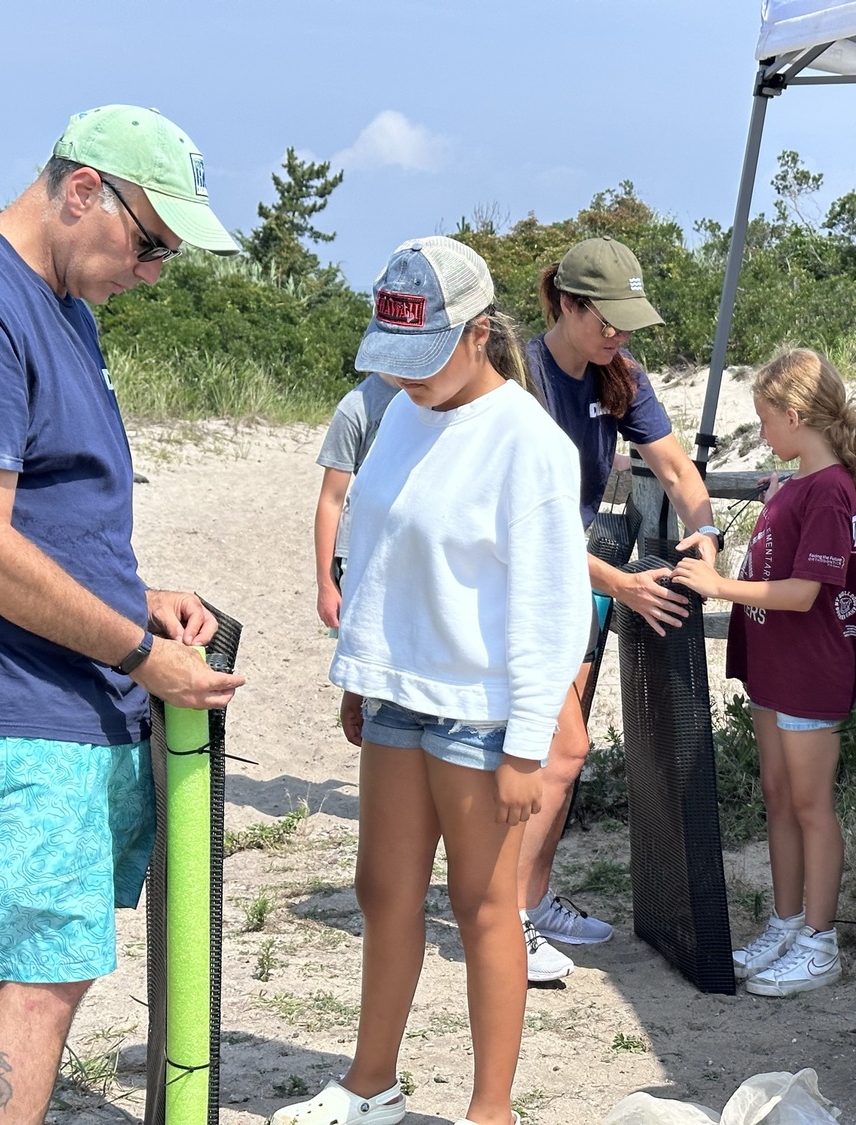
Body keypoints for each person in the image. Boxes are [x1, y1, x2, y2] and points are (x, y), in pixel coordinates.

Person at [0, 104, 245, 1122]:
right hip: (1, 702)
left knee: (52, 966)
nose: (153, 273)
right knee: (37, 977)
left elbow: (40, 514)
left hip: (53, 690)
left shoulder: (58, 304)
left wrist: (136, 597)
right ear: (82, 188)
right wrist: (140, 650)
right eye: (149, 244)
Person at [271, 237, 590, 1125]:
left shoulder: (528, 441)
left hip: (479, 714)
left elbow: (551, 605)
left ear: (480, 333)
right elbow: (375, 546)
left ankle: (492, 1109)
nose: (406, 378)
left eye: (424, 358)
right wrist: (359, 675)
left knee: (485, 905)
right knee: (383, 889)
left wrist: (528, 743)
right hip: (397, 695)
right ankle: (371, 1082)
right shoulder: (405, 412)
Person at [518, 235, 720, 980]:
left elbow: (674, 466)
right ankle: (505, 919)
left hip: (572, 581)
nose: (620, 335)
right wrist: (624, 583)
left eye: (630, 321)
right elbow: (524, 531)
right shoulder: (520, 377)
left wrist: (703, 532)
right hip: (522, 584)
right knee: (560, 752)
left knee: (554, 762)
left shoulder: (621, 377)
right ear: (567, 304)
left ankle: (531, 902)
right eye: (608, 320)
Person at [673, 348, 856, 996]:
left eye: (766, 420)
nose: (762, 433)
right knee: (777, 794)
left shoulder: (829, 489)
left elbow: (803, 593)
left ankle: (820, 940)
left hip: (811, 669)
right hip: (775, 665)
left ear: (794, 415)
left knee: (812, 805)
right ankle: (788, 921)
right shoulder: (800, 486)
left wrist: (719, 585)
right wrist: (779, 499)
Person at [314, 373, 398, 630]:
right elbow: (331, 499)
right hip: (361, 553)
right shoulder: (356, 407)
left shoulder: (439, 396)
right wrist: (326, 584)